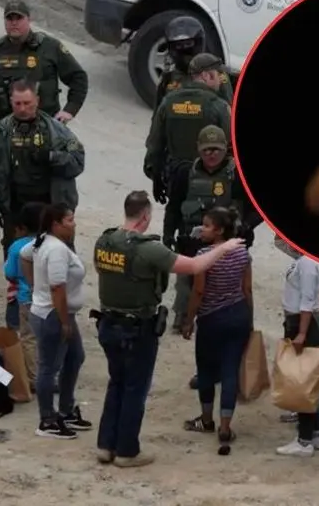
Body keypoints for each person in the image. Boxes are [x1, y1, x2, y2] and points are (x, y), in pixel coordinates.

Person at [93, 191, 245, 467]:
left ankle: (106, 445)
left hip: (108, 322)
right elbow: (194, 266)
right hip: (137, 327)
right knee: (135, 389)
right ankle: (127, 451)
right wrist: (224, 247)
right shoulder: (148, 249)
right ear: (146, 216)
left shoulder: (105, 240)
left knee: (116, 383)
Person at [165, 125, 259, 336]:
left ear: (226, 148)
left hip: (226, 240)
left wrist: (246, 225)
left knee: (229, 284)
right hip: (192, 238)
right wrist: (168, 233)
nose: (211, 154)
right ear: (198, 148)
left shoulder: (238, 174)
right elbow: (174, 207)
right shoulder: (185, 173)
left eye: (216, 149)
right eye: (206, 149)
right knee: (185, 282)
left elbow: (259, 209)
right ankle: (183, 316)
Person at [0, 79, 85, 259]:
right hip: (16, 209)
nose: (22, 108)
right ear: (11, 102)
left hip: (51, 209)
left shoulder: (57, 131)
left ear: (37, 100)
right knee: (16, 262)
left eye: (27, 103)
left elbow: (78, 161)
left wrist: (51, 157)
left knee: (57, 262)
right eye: (17, 103)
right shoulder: (1, 132)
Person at [180, 207, 253, 454]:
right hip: (238, 315)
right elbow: (247, 289)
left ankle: (207, 419)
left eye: (207, 225)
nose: (202, 229)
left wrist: (189, 320)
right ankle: (225, 426)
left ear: (220, 230)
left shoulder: (204, 255)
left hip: (212, 318)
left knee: (206, 370)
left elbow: (199, 291)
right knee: (230, 370)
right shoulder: (242, 252)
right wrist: (249, 320)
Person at [18, 203, 90, 439]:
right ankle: (47, 419)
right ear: (56, 224)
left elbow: (24, 256)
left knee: (75, 356)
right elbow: (57, 287)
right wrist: (63, 321)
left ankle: (67, 410)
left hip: (54, 312)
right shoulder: (56, 249)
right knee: (49, 367)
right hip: (53, 315)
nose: (74, 223)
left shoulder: (42, 242)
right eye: (69, 220)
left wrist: (33, 286)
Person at [0, 0, 89, 140]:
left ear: (28, 19)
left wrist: (69, 111)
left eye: (19, 18)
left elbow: (78, 78)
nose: (14, 22)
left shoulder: (49, 47)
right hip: (4, 134)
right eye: (9, 18)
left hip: (44, 132)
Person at [144, 53, 232, 204]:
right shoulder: (219, 106)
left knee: (175, 221)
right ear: (206, 76)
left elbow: (155, 144)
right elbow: (231, 147)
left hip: (175, 180)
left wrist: (155, 176)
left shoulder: (168, 102)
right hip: (208, 186)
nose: (220, 80)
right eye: (218, 75)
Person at [275, 248, 319, 457]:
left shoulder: (307, 263)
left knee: (302, 383)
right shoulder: (308, 259)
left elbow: (307, 300)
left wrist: (301, 333)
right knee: (309, 381)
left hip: (302, 324)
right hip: (300, 321)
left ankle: (304, 440)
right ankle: (314, 433)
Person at [3, 202, 46, 388]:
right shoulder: (50, 243)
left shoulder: (17, 247)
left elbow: (10, 273)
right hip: (49, 298)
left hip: (26, 298)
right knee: (48, 338)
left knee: (29, 338)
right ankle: (50, 376)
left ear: (22, 226)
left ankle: (34, 378)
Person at [154, 15, 233, 110]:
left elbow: (229, 111)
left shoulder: (218, 74)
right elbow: (159, 113)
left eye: (188, 44)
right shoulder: (168, 77)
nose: (184, 50)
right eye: (179, 46)